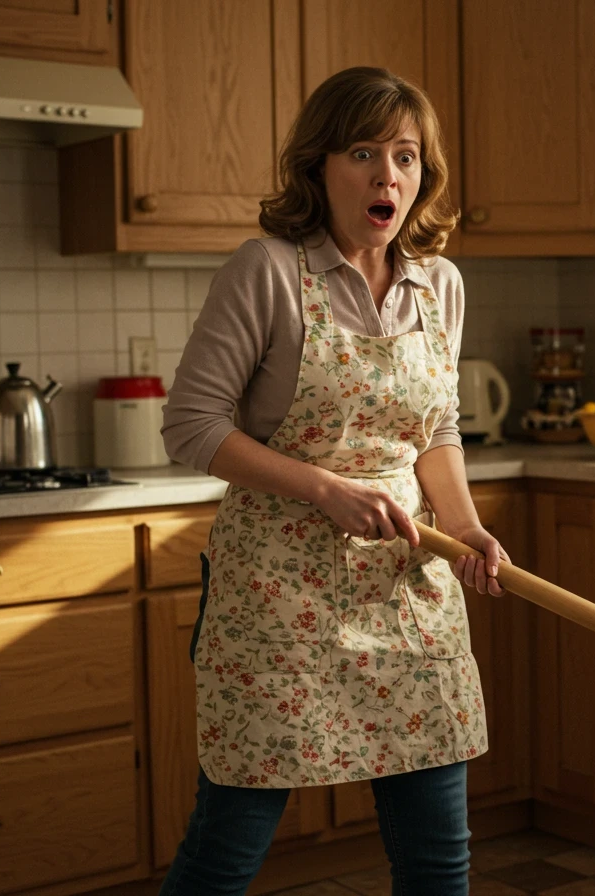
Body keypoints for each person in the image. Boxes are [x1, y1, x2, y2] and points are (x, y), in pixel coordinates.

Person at [157, 66, 509, 896]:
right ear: (319, 166)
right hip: (277, 600)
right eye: (363, 153)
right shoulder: (268, 270)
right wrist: (324, 488)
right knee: (225, 855)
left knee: (437, 860)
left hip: (408, 589)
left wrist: (465, 527)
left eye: (406, 156)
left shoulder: (440, 285)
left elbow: (436, 429)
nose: (388, 175)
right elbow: (191, 425)